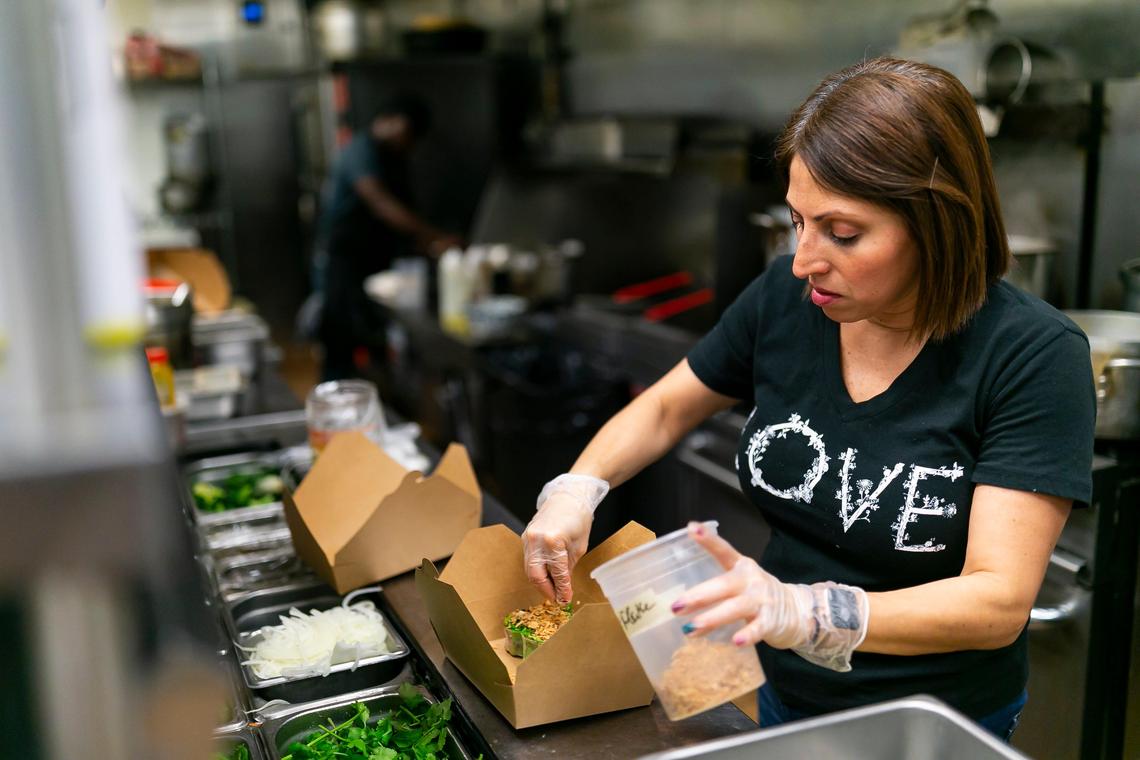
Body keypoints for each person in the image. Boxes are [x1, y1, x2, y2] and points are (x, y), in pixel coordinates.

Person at [521, 57, 1095, 742]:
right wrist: (578, 487)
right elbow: (666, 406)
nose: (804, 260)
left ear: (938, 224)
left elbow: (997, 600)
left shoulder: (1031, 354)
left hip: (928, 726)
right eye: (798, 221)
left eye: (843, 234)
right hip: (784, 696)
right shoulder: (787, 300)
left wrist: (809, 611)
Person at [314, 93, 459, 380]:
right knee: (340, 338)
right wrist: (431, 236)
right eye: (408, 133)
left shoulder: (395, 158)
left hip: (375, 259)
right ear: (392, 121)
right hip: (346, 259)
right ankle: (336, 402)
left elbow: (405, 208)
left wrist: (425, 243)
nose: (409, 143)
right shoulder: (361, 149)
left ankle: (379, 404)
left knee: (374, 339)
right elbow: (380, 203)